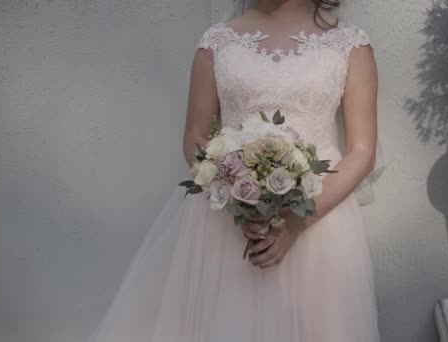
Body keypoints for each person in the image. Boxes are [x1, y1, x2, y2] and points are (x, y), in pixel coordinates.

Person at [87, 0, 380, 341]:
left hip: (318, 219)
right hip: (228, 223)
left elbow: (362, 152)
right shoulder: (217, 43)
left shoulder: (349, 45)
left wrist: (296, 222)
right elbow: (195, 136)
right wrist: (239, 193)